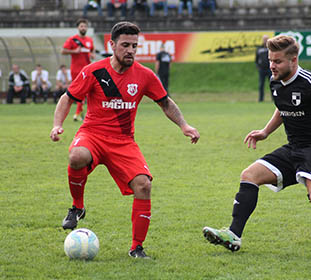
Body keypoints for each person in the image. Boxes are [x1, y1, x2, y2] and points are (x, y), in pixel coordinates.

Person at [50, 21, 200, 259]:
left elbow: (165, 102)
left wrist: (184, 125)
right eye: (125, 45)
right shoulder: (93, 71)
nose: (130, 50)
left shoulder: (144, 75)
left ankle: (136, 248)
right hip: (92, 134)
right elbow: (67, 98)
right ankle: (77, 207)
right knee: (77, 155)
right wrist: (58, 124)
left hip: (123, 141)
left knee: (144, 185)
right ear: (112, 45)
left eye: (134, 46)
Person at [202, 35, 311, 258]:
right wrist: (265, 131)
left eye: (277, 61)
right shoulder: (275, 80)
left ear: (293, 60)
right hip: (292, 147)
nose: (272, 66)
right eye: (270, 60)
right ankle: (233, 235)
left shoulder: (310, 82)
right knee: (249, 175)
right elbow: (282, 107)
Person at [62, 18, 95, 121]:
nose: (83, 28)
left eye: (85, 26)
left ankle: (79, 113)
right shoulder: (72, 40)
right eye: (81, 26)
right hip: (76, 69)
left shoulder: (89, 40)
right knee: (79, 91)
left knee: (87, 91)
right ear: (78, 27)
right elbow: (63, 51)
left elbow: (91, 50)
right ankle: (77, 112)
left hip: (88, 69)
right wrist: (74, 51)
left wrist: (92, 54)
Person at [255, 34, 271, 102]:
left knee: (272, 84)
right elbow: (256, 59)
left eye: (266, 39)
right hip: (262, 69)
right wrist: (258, 66)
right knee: (261, 85)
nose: (265, 41)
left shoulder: (271, 48)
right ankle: (261, 99)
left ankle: (274, 99)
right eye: (264, 39)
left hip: (270, 69)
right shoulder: (259, 49)